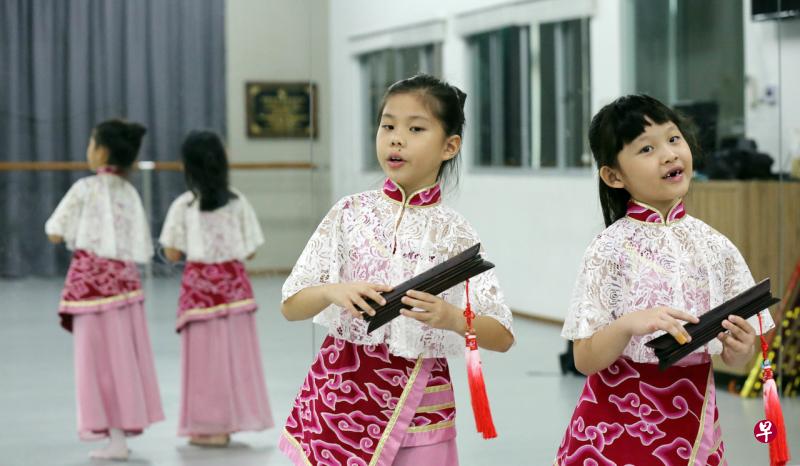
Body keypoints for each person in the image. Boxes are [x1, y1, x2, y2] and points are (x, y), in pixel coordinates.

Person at [278, 74, 515, 466]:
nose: (396, 138)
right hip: (341, 398)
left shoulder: (455, 233)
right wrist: (334, 291)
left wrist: (452, 317)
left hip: (421, 409)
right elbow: (291, 305)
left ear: (449, 146)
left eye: (415, 128)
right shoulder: (349, 214)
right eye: (387, 125)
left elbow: (502, 335)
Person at [555, 95, 775, 465]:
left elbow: (743, 353)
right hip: (612, 430)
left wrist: (740, 350)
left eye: (674, 139)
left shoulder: (716, 246)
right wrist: (628, 325)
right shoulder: (607, 249)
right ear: (613, 176)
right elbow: (585, 359)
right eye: (646, 148)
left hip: (695, 422)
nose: (670, 154)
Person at [45, 119, 164, 460]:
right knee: (122, 360)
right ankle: (120, 433)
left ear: (100, 151)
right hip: (125, 288)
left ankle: (112, 435)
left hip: (90, 291)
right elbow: (141, 246)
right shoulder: (130, 192)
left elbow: (54, 229)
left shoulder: (85, 189)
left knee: (94, 363)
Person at [160, 130, 274, 447]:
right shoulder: (237, 202)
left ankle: (209, 427)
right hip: (235, 290)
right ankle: (236, 419)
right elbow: (250, 250)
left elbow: (170, 252)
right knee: (237, 359)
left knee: (202, 363)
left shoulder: (184, 206)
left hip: (198, 293)